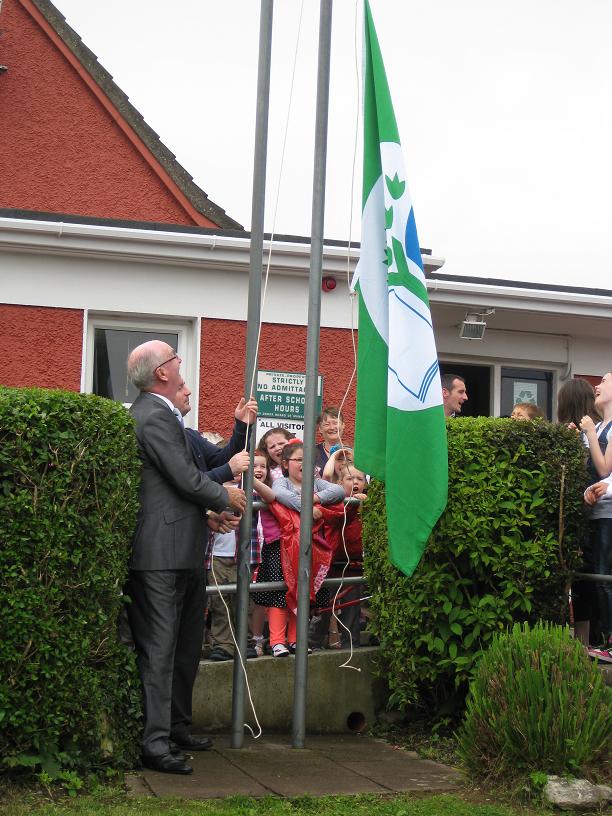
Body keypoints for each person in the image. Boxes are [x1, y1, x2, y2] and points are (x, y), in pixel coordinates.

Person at [125, 340, 246, 775]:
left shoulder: (162, 415)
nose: (181, 365)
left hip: (182, 550)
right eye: (176, 358)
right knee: (160, 650)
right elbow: (184, 477)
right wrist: (224, 497)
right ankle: (155, 744)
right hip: (160, 556)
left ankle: (175, 728)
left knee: (185, 647)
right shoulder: (153, 415)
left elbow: (172, 487)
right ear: (162, 372)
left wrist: (207, 514)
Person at [579, 372, 612, 660]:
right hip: (594, 513)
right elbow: (590, 475)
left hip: (608, 515)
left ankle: (609, 641)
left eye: (604, 381)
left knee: (604, 577)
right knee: (595, 579)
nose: (597, 386)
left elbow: (603, 470)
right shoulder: (599, 425)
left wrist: (589, 433)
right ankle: (602, 641)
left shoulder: (604, 428)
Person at [174, 380, 254, 484]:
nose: (188, 392)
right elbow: (186, 484)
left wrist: (242, 426)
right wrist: (228, 470)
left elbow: (222, 459)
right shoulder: (162, 436)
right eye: (179, 388)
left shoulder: (190, 435)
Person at [315, 407, 345, 474]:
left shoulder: (350, 453)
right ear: (320, 429)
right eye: (327, 424)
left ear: (343, 425)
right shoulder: (312, 453)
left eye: (335, 423)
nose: (331, 427)